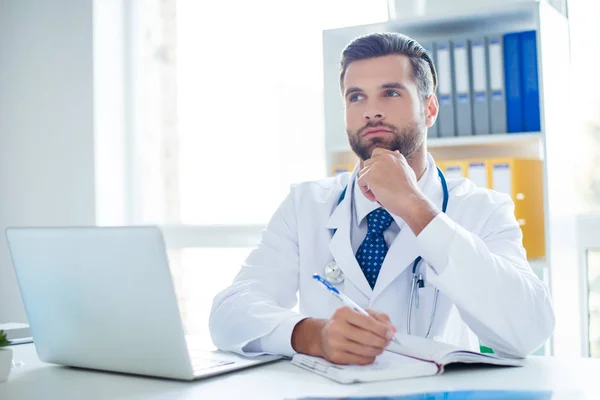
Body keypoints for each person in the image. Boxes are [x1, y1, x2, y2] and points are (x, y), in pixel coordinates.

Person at [209, 32, 555, 365]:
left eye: (390, 93)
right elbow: (230, 312)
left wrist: (416, 207)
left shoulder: (482, 209)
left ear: (430, 108)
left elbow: (528, 331)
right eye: (356, 96)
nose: (371, 111)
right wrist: (314, 335)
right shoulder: (305, 205)